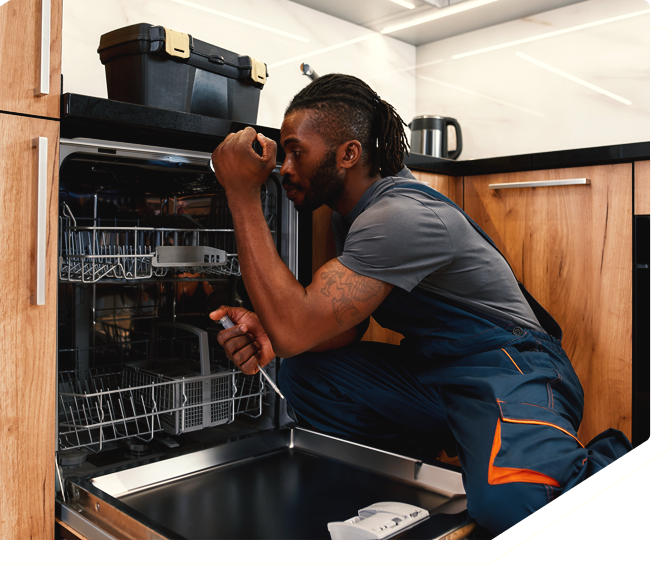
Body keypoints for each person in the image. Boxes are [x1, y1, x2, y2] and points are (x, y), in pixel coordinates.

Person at [208, 74, 632, 535]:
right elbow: (344, 328)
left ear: (348, 154)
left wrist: (241, 191)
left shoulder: (399, 217)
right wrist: (274, 337)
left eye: (296, 151)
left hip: (513, 369)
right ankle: (452, 462)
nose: (285, 167)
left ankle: (615, 464)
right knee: (305, 376)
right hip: (437, 375)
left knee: (517, 509)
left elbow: (299, 325)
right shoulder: (351, 215)